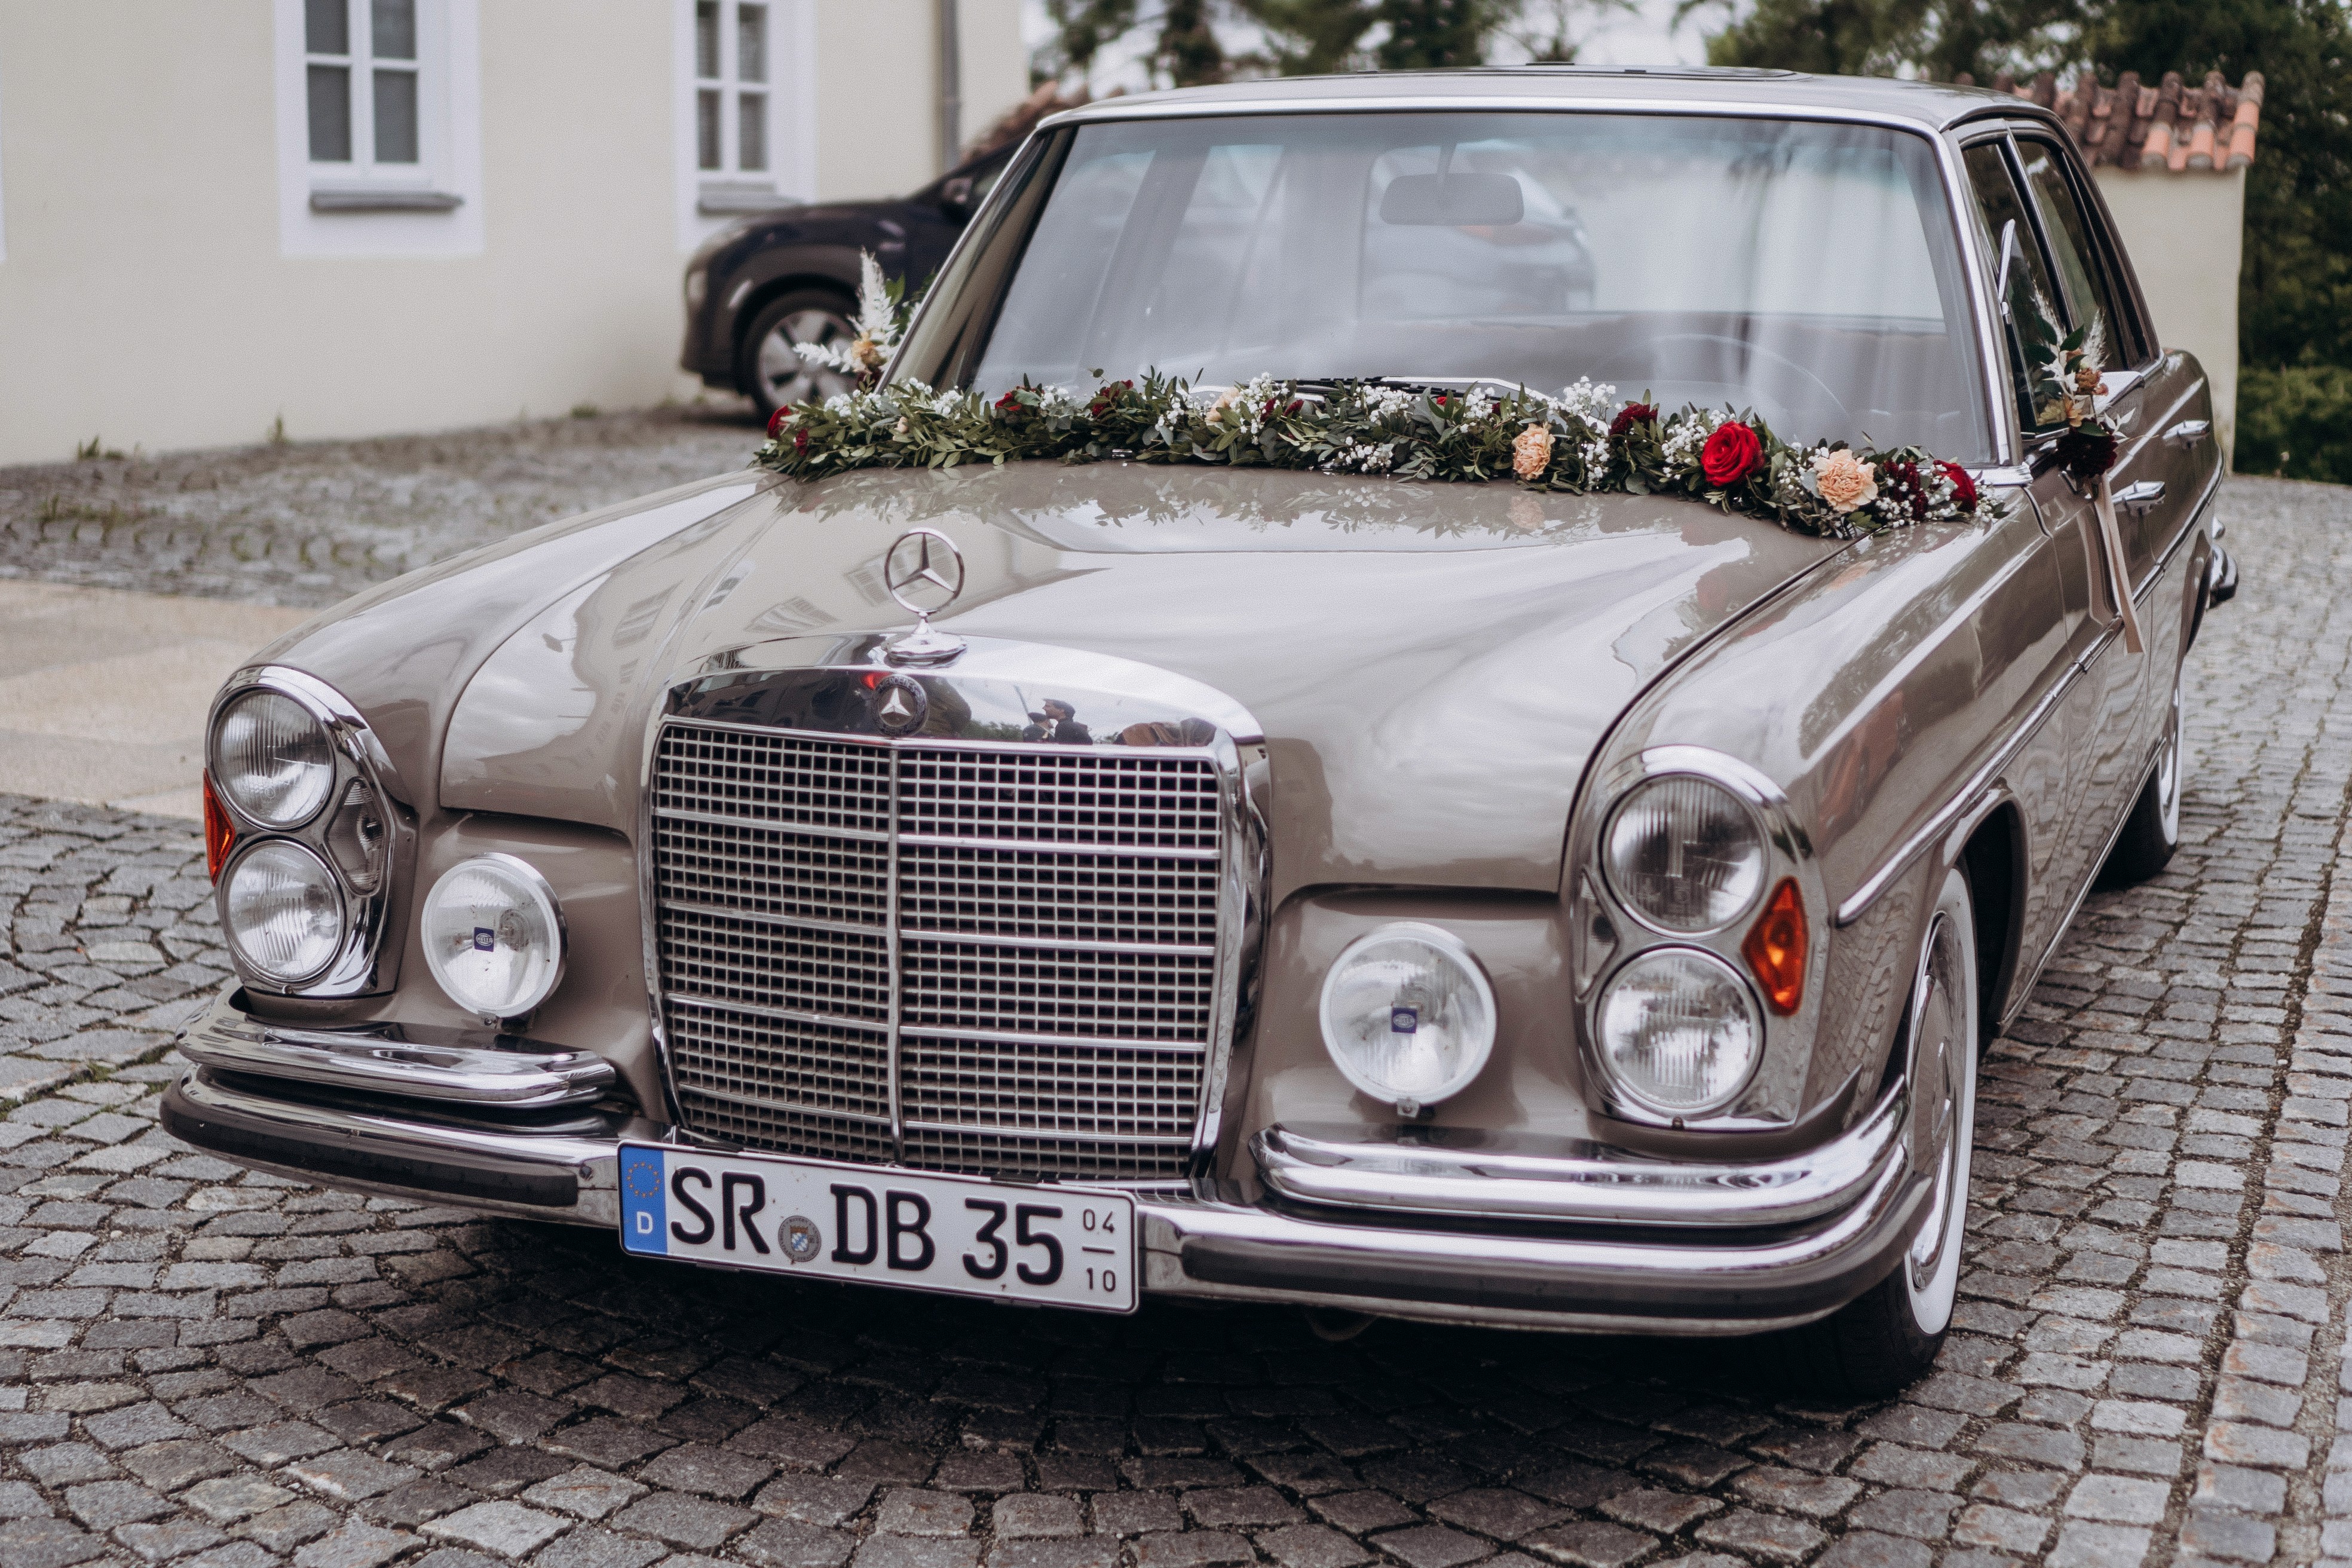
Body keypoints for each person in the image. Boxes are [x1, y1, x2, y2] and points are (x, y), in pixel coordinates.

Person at [1021, 699, 1092, 745]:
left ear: (1061, 710)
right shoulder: (1068, 725)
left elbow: (1063, 754)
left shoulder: (1064, 726)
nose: (1044, 708)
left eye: (1048, 706)